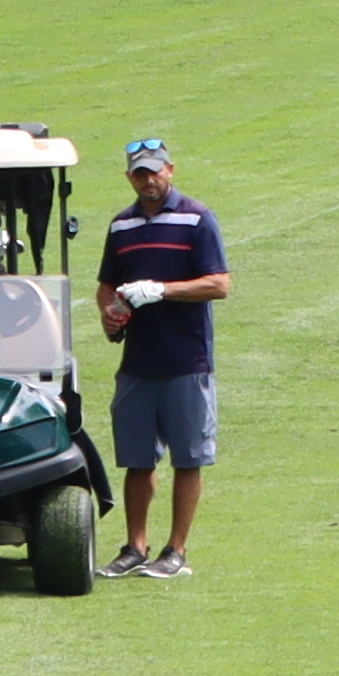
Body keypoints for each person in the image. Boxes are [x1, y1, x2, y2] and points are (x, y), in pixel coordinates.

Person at [93, 136, 227, 580]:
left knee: (188, 458)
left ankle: (176, 549)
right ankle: (135, 546)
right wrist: (110, 316)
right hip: (137, 361)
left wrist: (162, 291)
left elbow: (218, 284)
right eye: (139, 173)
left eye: (155, 171)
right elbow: (107, 285)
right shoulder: (121, 227)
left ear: (171, 169)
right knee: (136, 458)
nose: (148, 180)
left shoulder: (197, 219)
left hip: (186, 359)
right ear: (129, 176)